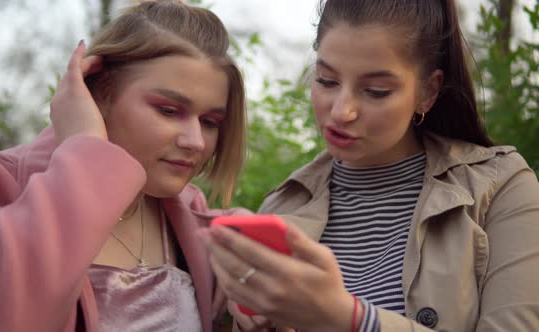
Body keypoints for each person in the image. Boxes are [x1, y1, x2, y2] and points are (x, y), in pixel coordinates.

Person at [202, 0, 539, 331]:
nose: (341, 111)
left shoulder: (500, 186)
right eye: (326, 81)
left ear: (428, 91)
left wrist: (350, 319)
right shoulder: (282, 206)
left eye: (376, 91)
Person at [0, 1, 248, 331]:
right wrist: (87, 151)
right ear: (100, 92)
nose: (196, 141)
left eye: (210, 121)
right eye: (168, 110)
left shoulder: (190, 220)